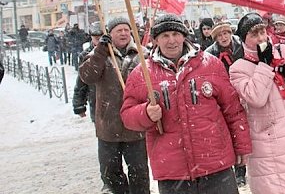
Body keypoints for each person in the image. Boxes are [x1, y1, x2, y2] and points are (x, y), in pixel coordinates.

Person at [121, 14, 251, 194]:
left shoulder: (211, 65)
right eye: (165, 36)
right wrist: (145, 113)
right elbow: (127, 115)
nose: (171, 40)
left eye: (175, 34)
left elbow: (233, 109)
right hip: (172, 172)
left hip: (216, 164)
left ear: (184, 35)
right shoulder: (141, 74)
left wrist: (241, 144)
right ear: (156, 39)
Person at [229, 12, 285, 194]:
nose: (261, 38)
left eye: (262, 32)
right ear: (244, 40)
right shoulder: (238, 68)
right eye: (254, 35)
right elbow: (256, 98)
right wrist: (264, 66)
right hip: (268, 145)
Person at [79, 16, 150, 194]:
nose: (124, 33)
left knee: (139, 174)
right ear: (110, 34)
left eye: (127, 29)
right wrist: (101, 50)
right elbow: (87, 76)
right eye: (119, 30)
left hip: (135, 127)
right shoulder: (99, 54)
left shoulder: (142, 54)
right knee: (112, 175)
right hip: (108, 127)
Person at [205, 20, 248, 187]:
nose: (223, 37)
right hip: (224, 96)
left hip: (244, 89)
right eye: (220, 35)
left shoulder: (242, 46)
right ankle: (239, 171)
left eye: (226, 33)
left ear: (231, 34)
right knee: (234, 132)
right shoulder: (210, 53)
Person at [73, 22, 103, 122]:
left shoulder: (113, 51)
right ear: (91, 38)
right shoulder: (86, 55)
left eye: (102, 37)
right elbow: (81, 81)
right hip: (96, 100)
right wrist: (79, 104)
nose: (100, 41)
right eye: (97, 38)